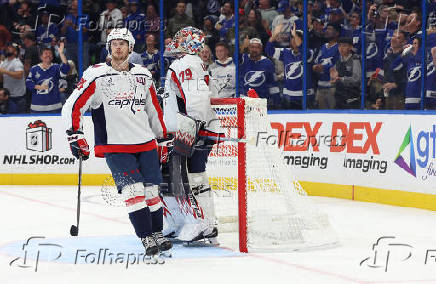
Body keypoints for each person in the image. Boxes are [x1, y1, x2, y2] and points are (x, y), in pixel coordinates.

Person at [61, 28, 172, 256]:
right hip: (116, 146)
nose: (118, 47)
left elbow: (154, 109)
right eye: (114, 44)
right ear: (109, 48)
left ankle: (158, 233)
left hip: (147, 143)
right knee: (133, 191)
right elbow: (73, 105)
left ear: (131, 48)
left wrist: (161, 137)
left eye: (123, 43)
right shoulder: (96, 75)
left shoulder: (143, 74)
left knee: (152, 192)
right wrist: (75, 134)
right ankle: (146, 237)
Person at [162, 26, 222, 242]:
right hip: (187, 128)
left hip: (194, 129)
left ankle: (204, 225)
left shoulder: (186, 63)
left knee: (193, 177)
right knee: (171, 179)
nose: (174, 41)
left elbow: (196, 100)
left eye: (180, 39)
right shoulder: (187, 63)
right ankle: (181, 222)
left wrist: (192, 131)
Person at [267, 23, 315, 109]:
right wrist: (274, 35)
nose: (294, 40)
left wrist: (295, 36)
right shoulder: (285, 52)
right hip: (288, 95)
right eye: (292, 38)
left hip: (305, 96)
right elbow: (269, 50)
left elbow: (303, 51)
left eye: (297, 37)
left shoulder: (309, 52)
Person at [25, 43, 69, 113]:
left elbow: (66, 69)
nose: (48, 55)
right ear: (41, 57)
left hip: (55, 107)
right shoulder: (34, 68)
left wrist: (61, 53)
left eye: (50, 54)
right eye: (45, 53)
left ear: (52, 57)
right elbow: (28, 83)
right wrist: (38, 87)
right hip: (37, 108)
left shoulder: (56, 67)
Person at [240, 38, 280, 108]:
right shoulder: (243, 59)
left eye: (257, 47)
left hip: (262, 101)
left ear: (261, 48)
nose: (254, 50)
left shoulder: (268, 63)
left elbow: (273, 83)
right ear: (248, 48)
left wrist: (277, 101)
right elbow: (235, 57)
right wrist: (243, 46)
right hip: (245, 100)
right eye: (252, 47)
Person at [330, 37, 361, 109]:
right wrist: (333, 79)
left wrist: (341, 79)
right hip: (339, 98)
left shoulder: (355, 59)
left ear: (350, 47)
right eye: (339, 45)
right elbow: (334, 78)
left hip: (352, 99)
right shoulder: (338, 61)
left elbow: (357, 79)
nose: (341, 48)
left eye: (344, 45)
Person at [0, 44, 26, 113]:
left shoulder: (17, 62)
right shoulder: (4, 62)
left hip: (18, 97)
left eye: (11, 48)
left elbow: (19, 75)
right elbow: (2, 79)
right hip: (7, 97)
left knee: (19, 119)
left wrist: (4, 71)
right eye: (8, 47)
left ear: (15, 52)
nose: (8, 48)